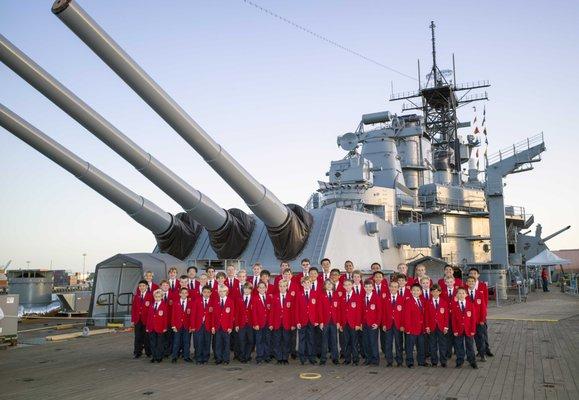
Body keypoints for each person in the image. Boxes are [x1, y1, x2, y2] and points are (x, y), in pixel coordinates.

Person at [468, 267, 493, 357]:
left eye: (474, 273)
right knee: (473, 335)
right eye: (471, 273)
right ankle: (478, 351)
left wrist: (483, 315)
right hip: (470, 316)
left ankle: (486, 349)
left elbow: (485, 301)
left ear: (478, 275)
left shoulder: (482, 285)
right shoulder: (466, 286)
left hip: (480, 315)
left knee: (483, 334)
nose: (473, 275)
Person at [451, 287, 478, 369]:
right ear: (456, 295)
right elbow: (453, 319)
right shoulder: (454, 306)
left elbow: (473, 319)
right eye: (459, 293)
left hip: (469, 329)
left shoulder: (470, 305)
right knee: (459, 346)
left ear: (466, 295)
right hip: (458, 329)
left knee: (470, 345)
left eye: (463, 293)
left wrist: (473, 330)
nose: (461, 295)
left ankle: (472, 361)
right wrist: (455, 330)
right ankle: (459, 361)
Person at [401, 284, 426, 368]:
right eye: (414, 290)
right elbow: (406, 316)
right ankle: (409, 362)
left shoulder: (422, 301)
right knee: (410, 346)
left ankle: (421, 361)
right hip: (411, 328)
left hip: (421, 328)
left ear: (421, 292)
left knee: (421, 346)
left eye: (418, 290)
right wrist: (407, 328)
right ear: (411, 291)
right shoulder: (408, 301)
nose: (416, 292)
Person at [270, 280, 295, 364]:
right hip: (277, 323)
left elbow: (292, 312)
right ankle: (279, 358)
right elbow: (272, 312)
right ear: (278, 287)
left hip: (287, 323)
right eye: (280, 286)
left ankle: (285, 357)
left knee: (286, 341)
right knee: (277, 341)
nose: (282, 288)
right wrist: (271, 323)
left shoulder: (290, 297)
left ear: (287, 287)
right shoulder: (275, 297)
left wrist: (293, 324)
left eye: (284, 286)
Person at [295, 276, 318, 365]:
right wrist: (297, 322)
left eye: (308, 282)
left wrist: (317, 320)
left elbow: (317, 309)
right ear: (302, 284)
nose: (307, 284)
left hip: (312, 321)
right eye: (305, 283)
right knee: (302, 339)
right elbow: (296, 309)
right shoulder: (299, 294)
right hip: (302, 321)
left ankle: (311, 357)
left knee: (311, 339)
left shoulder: (315, 293)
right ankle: (302, 358)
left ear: (311, 283)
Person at [425, 284, 449, 367]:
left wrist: (446, 327)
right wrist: (427, 326)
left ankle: (443, 361)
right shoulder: (428, 303)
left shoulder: (444, 302)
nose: (435, 293)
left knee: (443, 344)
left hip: (441, 327)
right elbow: (426, 316)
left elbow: (446, 316)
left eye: (437, 291)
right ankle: (434, 361)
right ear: (431, 292)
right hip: (432, 327)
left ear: (440, 292)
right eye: (433, 291)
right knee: (432, 344)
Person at [339, 279, 362, 365]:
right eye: (345, 285)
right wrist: (340, 324)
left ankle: (356, 359)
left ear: (352, 285)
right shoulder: (342, 297)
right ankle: (347, 359)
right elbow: (340, 312)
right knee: (346, 342)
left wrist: (358, 324)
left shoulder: (357, 297)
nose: (347, 286)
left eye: (349, 284)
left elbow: (359, 312)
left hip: (354, 324)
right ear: (343, 287)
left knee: (354, 342)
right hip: (345, 323)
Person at [466, 276, 488, 362]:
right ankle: (470, 356)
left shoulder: (480, 294)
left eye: (472, 281)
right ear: (466, 283)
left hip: (479, 321)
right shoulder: (464, 294)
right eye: (469, 281)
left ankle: (482, 354)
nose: (471, 283)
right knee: (469, 340)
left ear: (475, 283)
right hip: (468, 322)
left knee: (480, 339)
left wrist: (482, 320)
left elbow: (483, 308)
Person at [317, 279, 340, 365]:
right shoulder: (321, 295)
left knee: (334, 340)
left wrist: (338, 321)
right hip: (325, 321)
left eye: (331, 284)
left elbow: (338, 310)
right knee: (324, 341)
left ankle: (335, 358)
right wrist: (321, 322)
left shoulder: (336, 295)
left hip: (334, 321)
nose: (329, 285)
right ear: (324, 286)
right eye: (327, 284)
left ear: (333, 285)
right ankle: (323, 359)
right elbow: (319, 309)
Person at [382, 280, 404, 367]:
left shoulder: (402, 299)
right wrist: (383, 324)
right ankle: (389, 361)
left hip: (398, 324)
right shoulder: (385, 299)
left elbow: (403, 314)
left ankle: (399, 361)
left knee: (399, 343)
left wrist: (402, 325)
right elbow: (383, 313)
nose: (393, 288)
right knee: (388, 343)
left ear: (398, 288)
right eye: (392, 286)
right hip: (388, 324)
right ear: (389, 287)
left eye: (395, 287)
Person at [212, 285, 235, 365]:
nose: (222, 293)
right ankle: (218, 358)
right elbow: (213, 315)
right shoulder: (215, 301)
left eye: (224, 291)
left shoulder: (230, 301)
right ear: (218, 292)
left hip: (226, 327)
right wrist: (213, 326)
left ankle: (226, 359)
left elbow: (231, 316)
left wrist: (230, 327)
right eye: (220, 291)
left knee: (226, 343)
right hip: (217, 326)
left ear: (227, 292)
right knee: (218, 343)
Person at [171, 287, 194, 363]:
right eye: (182, 293)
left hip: (187, 326)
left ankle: (186, 356)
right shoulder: (175, 302)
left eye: (185, 293)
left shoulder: (191, 303)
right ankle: (174, 357)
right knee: (176, 342)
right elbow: (173, 315)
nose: (184, 294)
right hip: (177, 326)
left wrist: (191, 326)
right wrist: (173, 325)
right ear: (179, 294)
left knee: (186, 342)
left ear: (187, 294)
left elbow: (192, 316)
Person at [362, 279, 381, 366]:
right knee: (366, 342)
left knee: (373, 342)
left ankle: (375, 359)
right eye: (366, 287)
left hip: (373, 324)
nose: (368, 288)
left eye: (370, 286)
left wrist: (377, 323)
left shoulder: (376, 297)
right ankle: (368, 358)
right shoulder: (362, 296)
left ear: (373, 287)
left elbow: (379, 312)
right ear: (364, 287)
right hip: (364, 323)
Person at [131, 280, 153, 359]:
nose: (141, 287)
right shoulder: (136, 296)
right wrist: (133, 320)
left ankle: (148, 352)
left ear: (147, 286)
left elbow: (152, 309)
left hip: (146, 320)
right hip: (138, 320)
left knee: (147, 336)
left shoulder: (150, 296)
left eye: (143, 286)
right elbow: (133, 309)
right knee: (137, 337)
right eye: (140, 286)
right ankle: (137, 352)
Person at [192, 285, 213, 365]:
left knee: (207, 342)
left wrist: (213, 326)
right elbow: (193, 314)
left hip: (208, 326)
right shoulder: (197, 301)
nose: (206, 294)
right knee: (199, 342)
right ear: (202, 292)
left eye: (208, 292)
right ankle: (198, 358)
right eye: (204, 292)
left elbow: (213, 315)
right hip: (198, 325)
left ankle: (205, 358)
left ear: (210, 293)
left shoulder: (213, 302)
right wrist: (193, 326)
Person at [252, 281, 272, 364]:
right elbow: (254, 312)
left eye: (263, 287)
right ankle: (259, 357)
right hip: (259, 323)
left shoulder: (269, 297)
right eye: (260, 287)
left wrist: (271, 323)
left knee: (267, 340)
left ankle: (266, 356)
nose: (262, 289)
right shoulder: (255, 298)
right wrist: (255, 323)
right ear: (257, 289)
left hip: (267, 323)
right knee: (259, 340)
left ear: (266, 288)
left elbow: (272, 312)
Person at [146, 289, 168, 363]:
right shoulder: (152, 305)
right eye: (156, 297)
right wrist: (147, 327)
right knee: (152, 343)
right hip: (152, 327)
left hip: (160, 327)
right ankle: (154, 356)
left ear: (161, 297)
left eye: (159, 297)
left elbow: (165, 317)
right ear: (154, 297)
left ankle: (159, 357)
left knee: (160, 343)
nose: (157, 298)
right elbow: (149, 317)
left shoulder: (164, 305)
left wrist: (165, 327)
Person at [235, 282, 254, 363]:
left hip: (250, 324)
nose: (246, 290)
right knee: (241, 340)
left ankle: (248, 355)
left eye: (248, 289)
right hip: (241, 323)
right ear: (243, 289)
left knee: (250, 340)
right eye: (245, 288)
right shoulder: (239, 299)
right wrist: (236, 324)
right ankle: (242, 356)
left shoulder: (254, 299)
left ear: (251, 290)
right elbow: (236, 313)